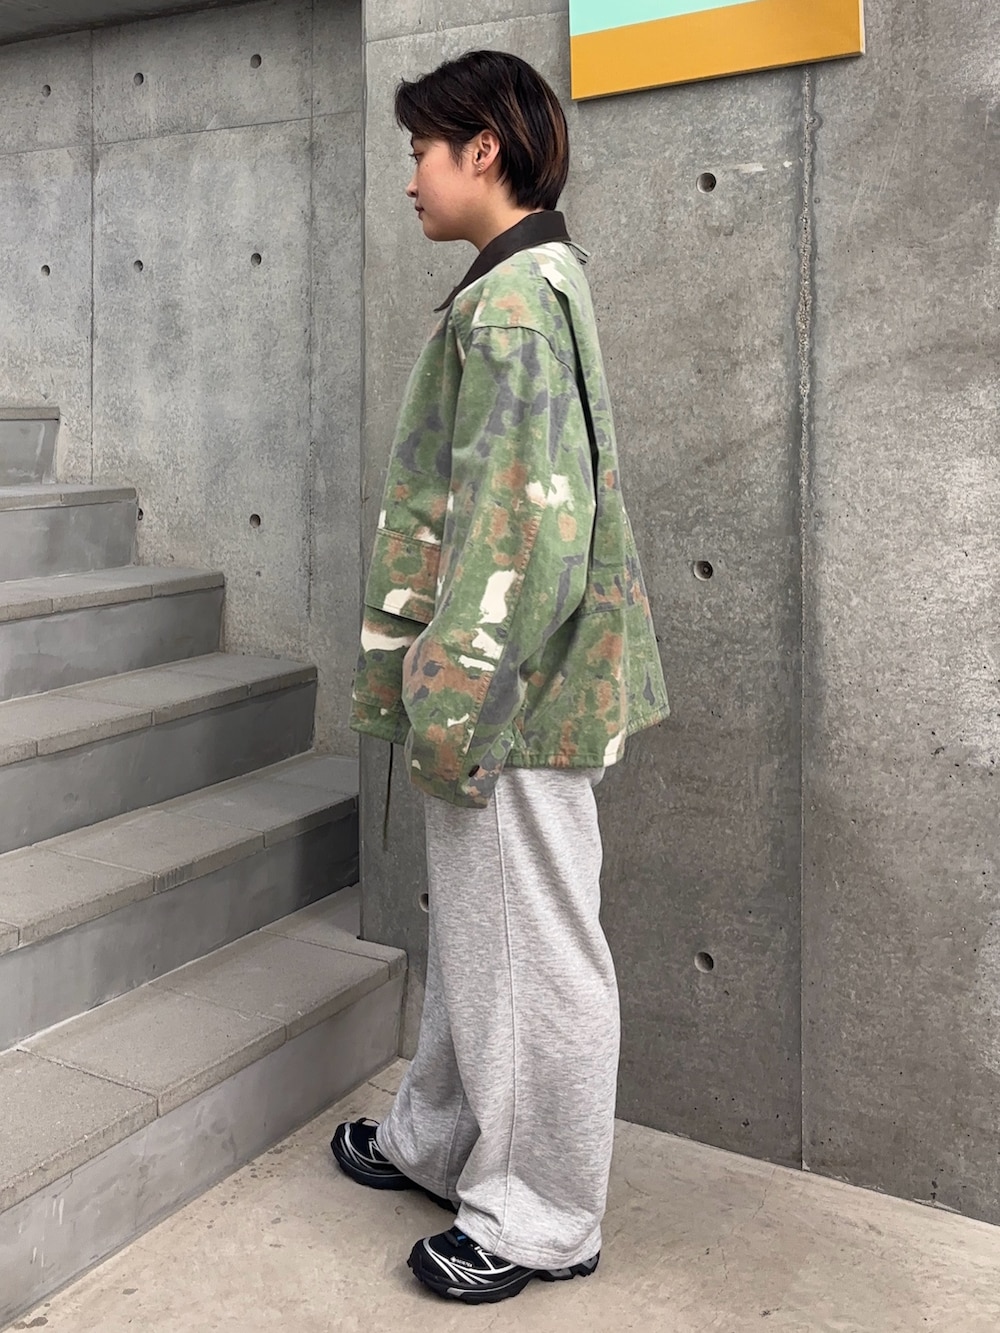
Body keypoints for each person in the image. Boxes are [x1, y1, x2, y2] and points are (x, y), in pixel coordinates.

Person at [332, 48, 669, 1306]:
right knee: (487, 935)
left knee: (531, 952)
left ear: (483, 148)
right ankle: (438, 1139)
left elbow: (526, 526)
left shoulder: (514, 302)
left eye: (420, 149)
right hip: (507, 683)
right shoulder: (524, 281)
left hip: (508, 696)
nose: (409, 177)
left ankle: (541, 1218)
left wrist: (458, 690)